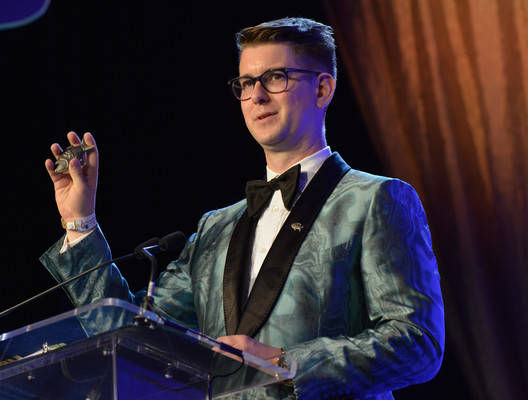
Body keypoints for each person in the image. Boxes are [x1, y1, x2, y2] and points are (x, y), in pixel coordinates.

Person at [41, 17, 444, 400]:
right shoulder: (217, 226)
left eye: (276, 77)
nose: (257, 95)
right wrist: (81, 223)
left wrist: (286, 363)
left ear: (323, 89)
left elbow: (417, 342)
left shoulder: (378, 198)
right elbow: (134, 337)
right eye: (247, 82)